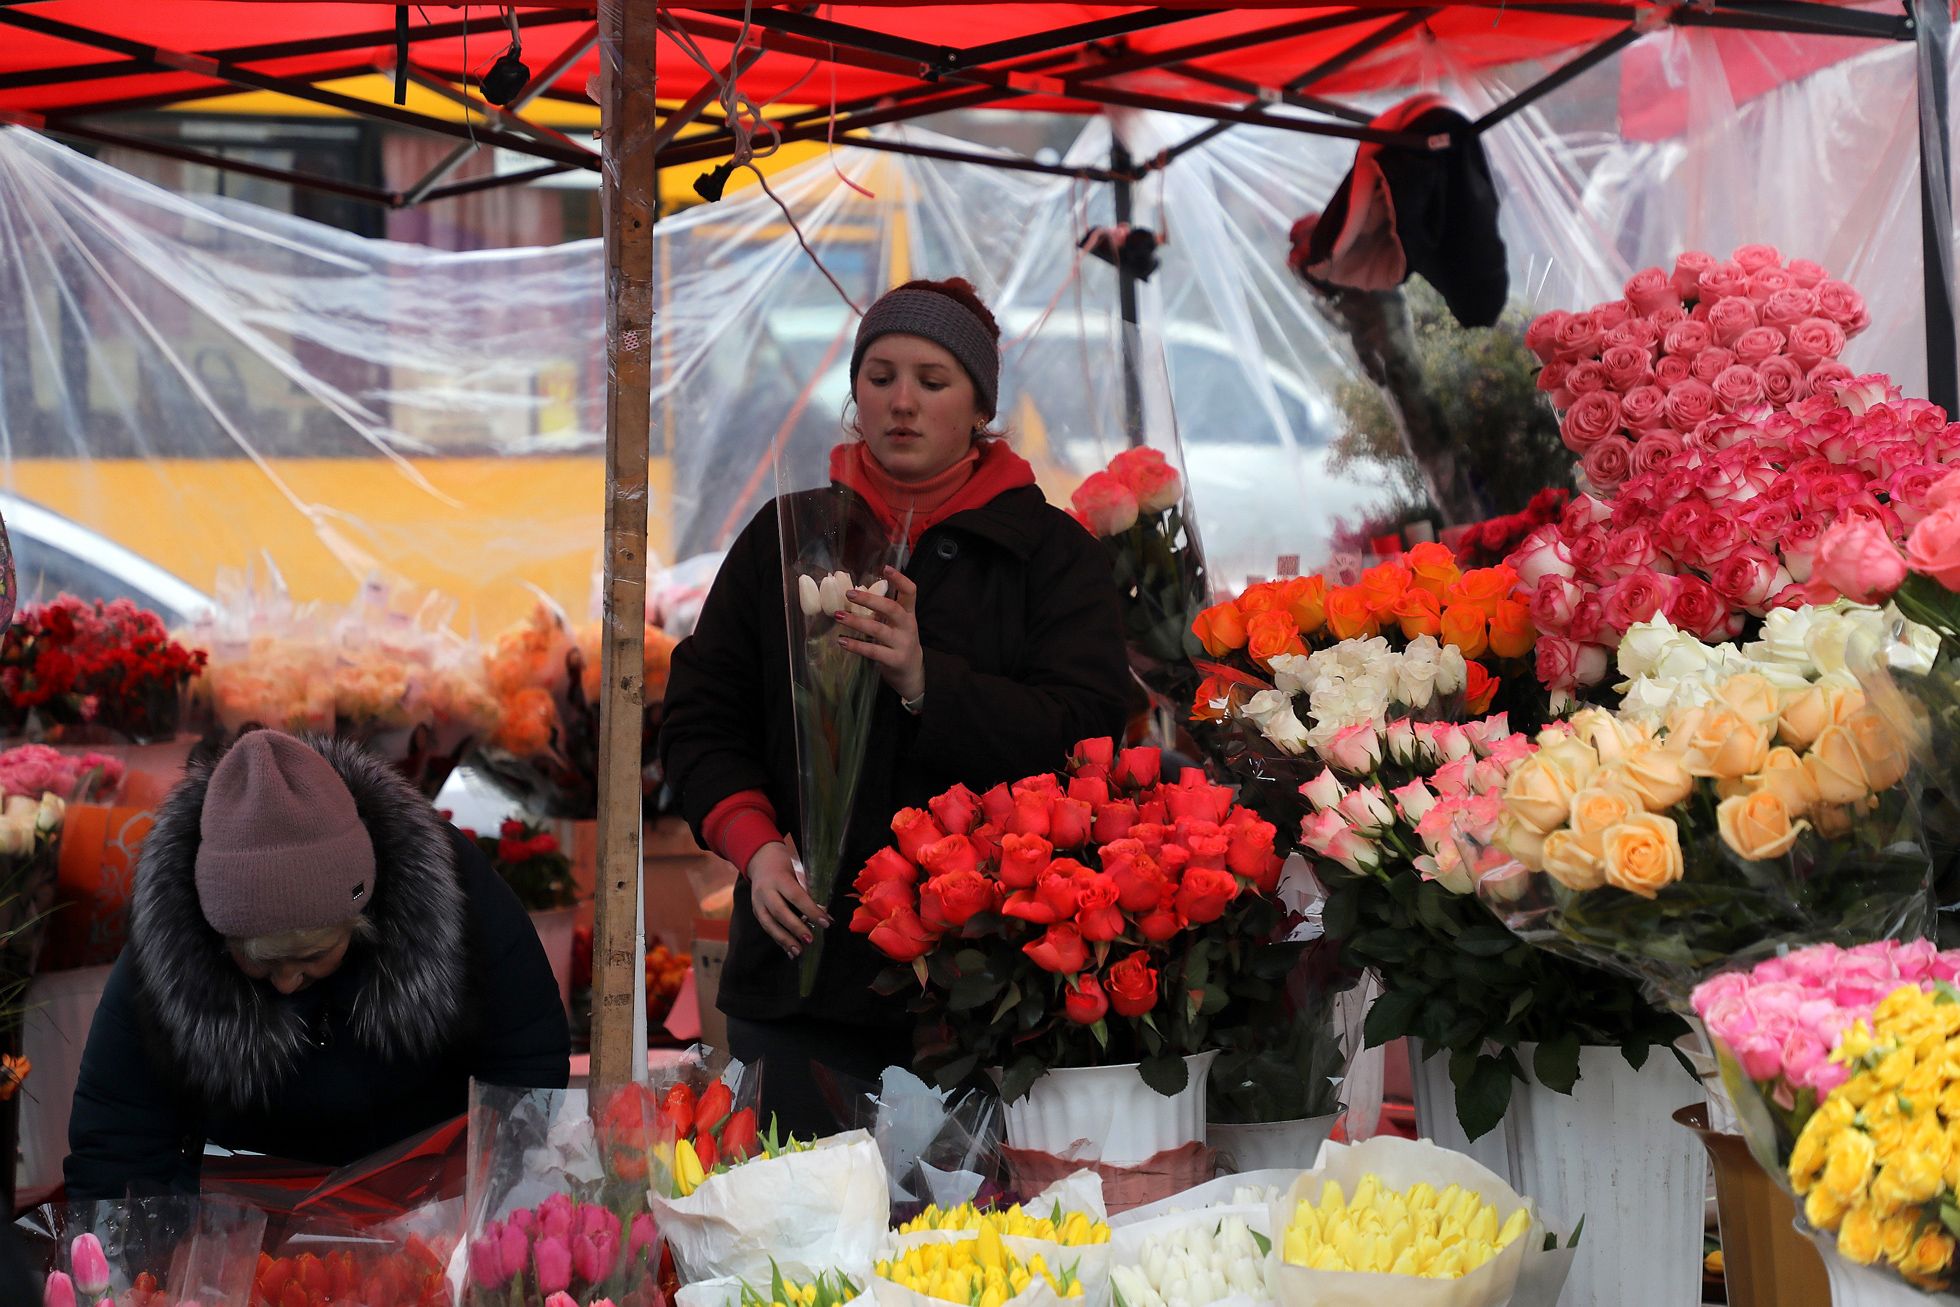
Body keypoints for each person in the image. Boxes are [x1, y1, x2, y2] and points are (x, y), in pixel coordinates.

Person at [659, 277, 1130, 1135]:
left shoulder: (1049, 556)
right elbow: (701, 715)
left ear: (980, 406)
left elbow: (1087, 737)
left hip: (987, 992)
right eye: (880, 377)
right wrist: (757, 847)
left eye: (932, 380)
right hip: (803, 979)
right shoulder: (785, 538)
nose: (901, 401)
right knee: (794, 1211)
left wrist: (926, 682)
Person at [64, 730, 569, 1198]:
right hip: (246, 1224)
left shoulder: (451, 895)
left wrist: (497, 1197)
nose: (287, 982)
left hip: (435, 1201)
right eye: (259, 962)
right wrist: (132, 1251)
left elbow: (525, 1055)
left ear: (363, 915)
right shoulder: (169, 943)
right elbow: (118, 1133)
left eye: (311, 956)